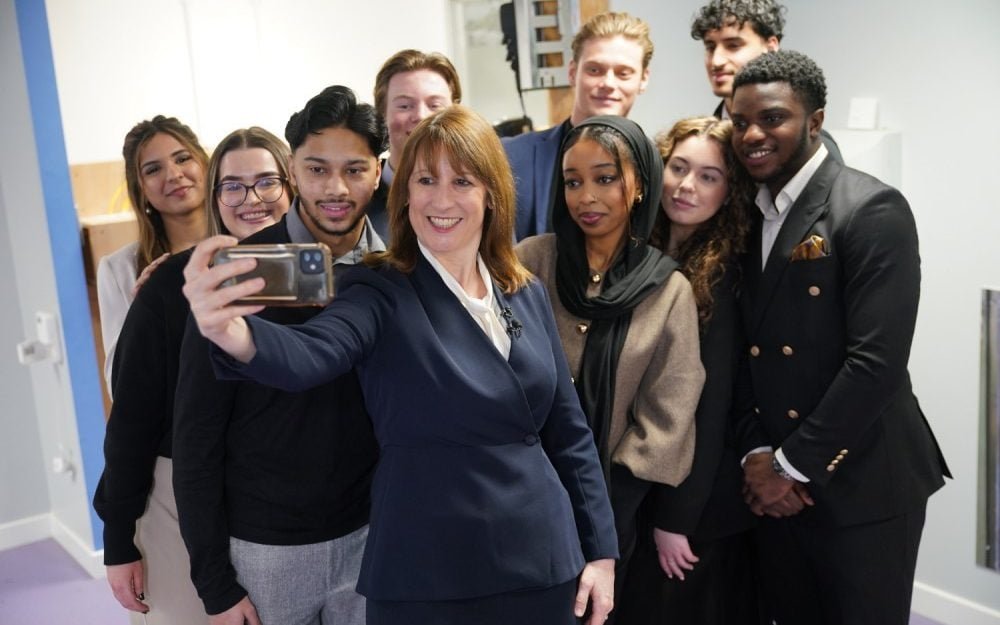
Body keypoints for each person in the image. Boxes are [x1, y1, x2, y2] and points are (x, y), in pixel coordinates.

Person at [181, 105, 618, 625]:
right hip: (427, 571)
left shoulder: (523, 290)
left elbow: (569, 434)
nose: (441, 199)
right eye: (425, 180)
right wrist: (233, 333)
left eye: (462, 181)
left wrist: (601, 550)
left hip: (542, 559)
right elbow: (312, 354)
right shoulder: (379, 287)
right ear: (404, 192)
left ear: (491, 195)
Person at [729, 50, 949, 625]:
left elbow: (875, 364)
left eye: (773, 118)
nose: (753, 134)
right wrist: (757, 455)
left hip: (861, 483)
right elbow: (743, 348)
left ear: (815, 121)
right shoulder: (747, 213)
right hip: (775, 484)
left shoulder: (871, 208)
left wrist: (789, 468)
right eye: (740, 121)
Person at [173, 86, 384, 625]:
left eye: (354, 169)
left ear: (378, 172)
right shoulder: (236, 273)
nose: (335, 188)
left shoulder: (397, 269)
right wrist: (214, 584)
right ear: (293, 170)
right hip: (266, 549)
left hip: (372, 538)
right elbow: (195, 438)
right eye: (316, 169)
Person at [92, 127, 292, 624]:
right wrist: (118, 539)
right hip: (176, 490)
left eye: (267, 182)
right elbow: (131, 418)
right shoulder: (165, 284)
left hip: (272, 504)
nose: (252, 199)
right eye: (233, 186)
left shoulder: (318, 278)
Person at [515, 115, 703, 623]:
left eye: (605, 178)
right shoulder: (531, 261)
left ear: (639, 184)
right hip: (518, 496)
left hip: (614, 511)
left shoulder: (668, 289)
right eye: (573, 181)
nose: (586, 197)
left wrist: (602, 520)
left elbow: (668, 419)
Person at [615, 116, 763, 625]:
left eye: (708, 176)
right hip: (643, 485)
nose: (685, 186)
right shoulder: (636, 251)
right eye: (678, 167)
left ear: (730, 191)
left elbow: (710, 405)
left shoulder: (724, 277)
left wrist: (675, 520)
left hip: (697, 505)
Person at [504, 11, 652, 240]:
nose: (608, 84)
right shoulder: (510, 156)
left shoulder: (653, 168)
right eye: (595, 70)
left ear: (643, 79)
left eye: (623, 73)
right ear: (573, 73)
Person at [96, 115, 209, 391]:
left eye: (182, 159)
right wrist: (143, 314)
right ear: (141, 190)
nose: (173, 174)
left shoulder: (242, 243)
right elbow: (117, 384)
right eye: (153, 169)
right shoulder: (118, 269)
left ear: (205, 165)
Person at [690, 0, 842, 162]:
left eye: (733, 45)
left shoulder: (813, 146)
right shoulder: (703, 140)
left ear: (770, 47)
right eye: (710, 47)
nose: (716, 61)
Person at [367, 49, 462, 240]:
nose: (421, 117)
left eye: (435, 105)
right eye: (404, 106)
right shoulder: (357, 203)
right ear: (381, 114)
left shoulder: (478, 199)